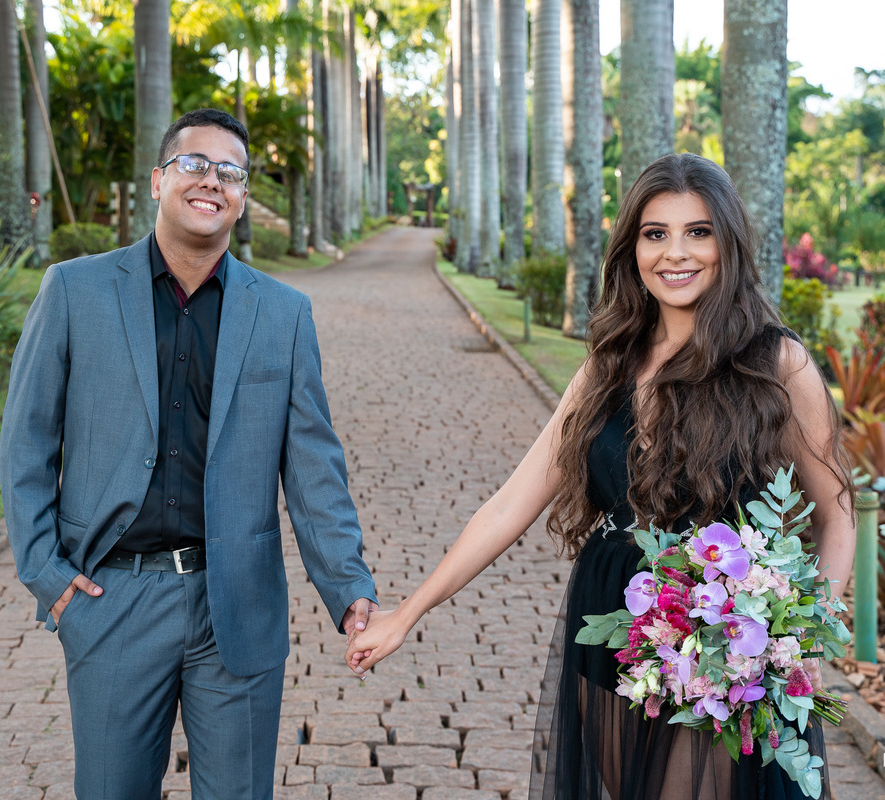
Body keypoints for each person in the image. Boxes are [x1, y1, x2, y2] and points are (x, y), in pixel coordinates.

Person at [345, 153, 855, 800]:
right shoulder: (609, 364)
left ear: (727, 243)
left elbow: (838, 514)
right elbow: (510, 505)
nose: (676, 252)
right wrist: (407, 613)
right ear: (632, 249)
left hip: (727, 632)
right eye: (655, 233)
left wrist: (807, 640)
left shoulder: (775, 361)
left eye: (698, 232)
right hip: (613, 607)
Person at [1, 108, 377, 800]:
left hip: (237, 602)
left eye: (230, 171)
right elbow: (26, 442)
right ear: (157, 180)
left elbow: (314, 468)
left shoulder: (284, 314)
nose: (212, 181)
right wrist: (47, 575)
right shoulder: (75, 291)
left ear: (241, 196)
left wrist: (348, 586)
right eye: (194, 164)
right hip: (112, 598)